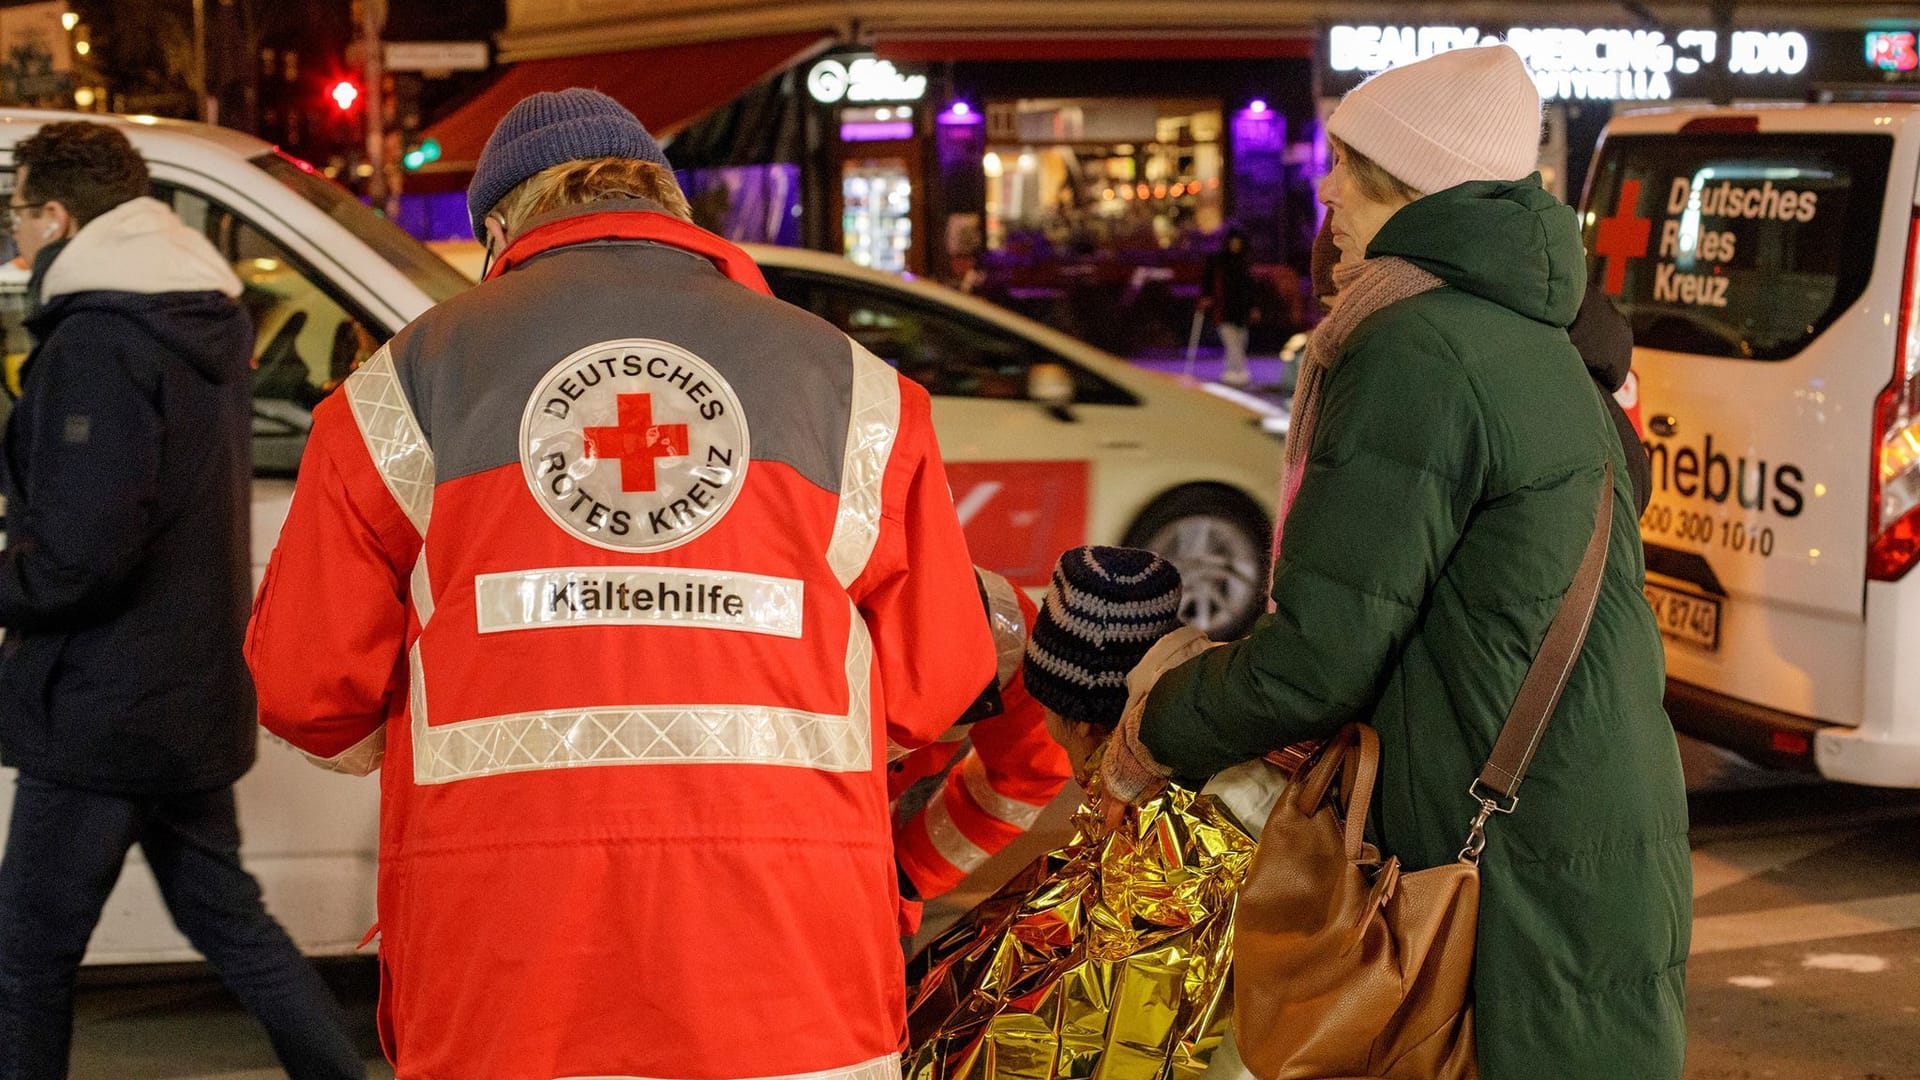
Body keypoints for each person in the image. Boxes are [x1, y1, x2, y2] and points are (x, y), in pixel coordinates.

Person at [246, 89, 994, 1080]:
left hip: (510, 972)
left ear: (503, 228)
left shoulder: (403, 386)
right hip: (787, 968)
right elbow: (937, 682)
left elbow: (304, 684)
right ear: (675, 212)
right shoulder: (857, 389)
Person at [1099, 45, 1691, 1080]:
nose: (1324, 190)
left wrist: (1156, 721)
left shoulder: (1416, 347)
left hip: (1501, 862)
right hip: (1587, 816)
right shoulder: (1537, 338)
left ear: (1407, 184)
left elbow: (1319, 658)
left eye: (1346, 164)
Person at [0, 122, 364, 1080]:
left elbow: (81, 555)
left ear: (58, 215)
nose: (17, 243)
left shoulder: (98, 340)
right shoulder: (194, 318)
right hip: (184, 695)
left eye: (18, 218)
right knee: (229, 921)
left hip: (101, 714)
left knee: (25, 960)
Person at [892, 568, 1071, 913]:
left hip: (864, 883)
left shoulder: (996, 621)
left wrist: (911, 871)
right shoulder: (990, 616)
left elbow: (1031, 767)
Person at [1200, 228, 1260, 387]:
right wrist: (1206, 298)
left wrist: (1253, 307)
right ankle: (1240, 372)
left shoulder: (1244, 263)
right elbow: (1209, 283)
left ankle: (1231, 372)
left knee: (1241, 341)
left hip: (1241, 311)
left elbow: (1249, 288)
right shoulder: (1218, 263)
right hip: (1223, 309)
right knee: (1232, 342)